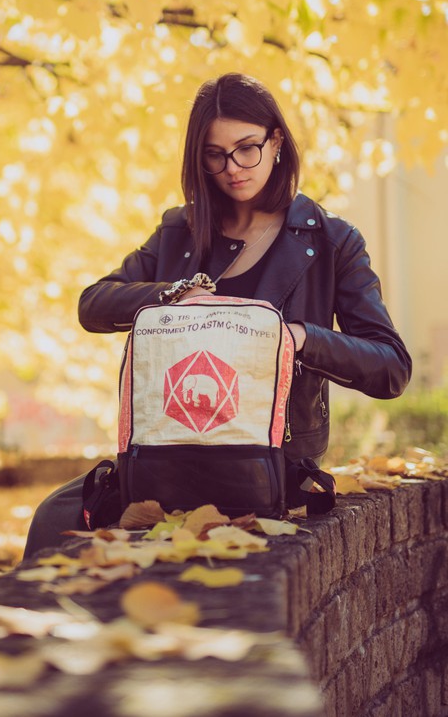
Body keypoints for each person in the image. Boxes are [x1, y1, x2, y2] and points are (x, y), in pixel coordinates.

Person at [23, 73, 412, 557]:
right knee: (52, 522)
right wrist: (174, 295)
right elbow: (94, 304)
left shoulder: (332, 242)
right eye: (215, 154)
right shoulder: (179, 233)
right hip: (163, 463)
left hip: (270, 472)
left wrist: (298, 337)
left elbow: (391, 368)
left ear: (276, 143)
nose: (232, 167)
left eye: (247, 147)